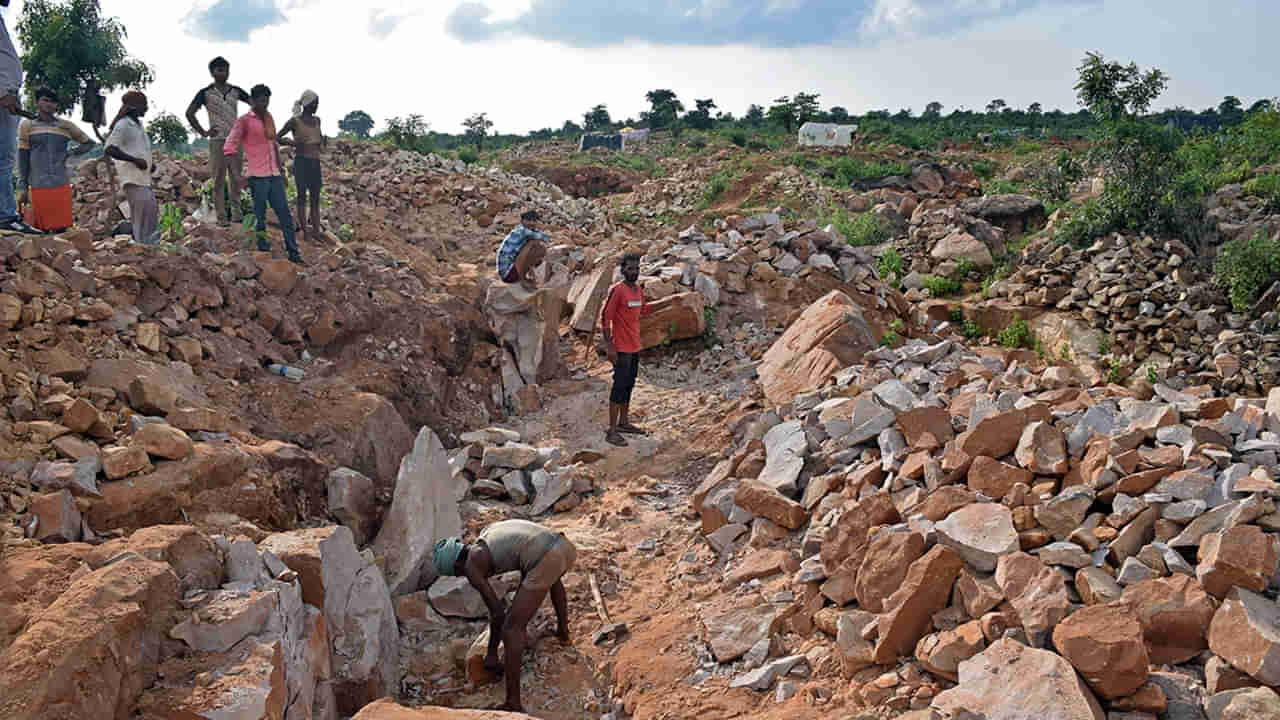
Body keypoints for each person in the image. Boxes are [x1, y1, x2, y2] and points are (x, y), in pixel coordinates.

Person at [433, 520, 576, 713]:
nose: (462, 577)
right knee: (551, 576)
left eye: (457, 574)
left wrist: (492, 653)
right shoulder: (486, 536)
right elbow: (527, 548)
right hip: (565, 546)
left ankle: (513, 703)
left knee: (511, 629)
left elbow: (497, 612)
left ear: (456, 566)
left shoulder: (470, 566)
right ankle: (563, 633)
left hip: (548, 556)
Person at [224, 84, 302, 264]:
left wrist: (281, 172)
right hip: (257, 177)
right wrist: (237, 176)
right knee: (260, 217)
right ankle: (263, 251)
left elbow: (273, 145)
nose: (264, 103)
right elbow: (229, 147)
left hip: (273, 175)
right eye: (260, 100)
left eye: (267, 99)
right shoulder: (244, 121)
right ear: (252, 101)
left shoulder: (269, 119)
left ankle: (294, 253)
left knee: (285, 215)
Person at [17, 88, 95, 233]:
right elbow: (23, 156)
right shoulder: (27, 125)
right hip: (38, 184)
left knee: (62, 228)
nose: (49, 104)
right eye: (45, 100)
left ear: (56, 106)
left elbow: (89, 143)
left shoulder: (65, 125)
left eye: (53, 102)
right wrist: (23, 186)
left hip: (60, 182)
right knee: (40, 229)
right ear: (37, 102)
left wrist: (70, 153)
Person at [185, 57, 249, 225]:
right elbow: (189, 113)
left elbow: (254, 104)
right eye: (219, 70)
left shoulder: (236, 91)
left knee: (236, 177)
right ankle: (221, 217)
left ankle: (237, 214)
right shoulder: (205, 93)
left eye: (226, 69)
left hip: (235, 141)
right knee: (219, 178)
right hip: (218, 141)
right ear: (212, 72)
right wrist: (203, 132)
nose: (224, 73)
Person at [599, 253, 652, 447]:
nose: (634, 272)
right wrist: (609, 345)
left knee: (629, 385)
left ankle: (624, 422)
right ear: (623, 270)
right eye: (630, 268)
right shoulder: (618, 290)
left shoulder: (638, 290)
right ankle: (611, 431)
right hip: (620, 348)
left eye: (637, 269)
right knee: (618, 387)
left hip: (634, 346)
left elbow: (643, 310)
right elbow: (605, 317)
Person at [0, 1, 39, 235]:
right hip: (4, 97)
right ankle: (5, 216)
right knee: (3, 159)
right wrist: (5, 91)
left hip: (6, 96)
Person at [104, 91, 157, 245]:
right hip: (132, 178)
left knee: (149, 212)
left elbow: (138, 148)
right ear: (134, 107)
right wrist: (134, 160)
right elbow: (110, 148)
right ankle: (143, 246)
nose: (146, 108)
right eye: (144, 105)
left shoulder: (138, 125)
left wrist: (149, 164)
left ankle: (148, 245)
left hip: (142, 178)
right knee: (142, 216)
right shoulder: (123, 125)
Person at [276, 90, 325, 242]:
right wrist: (292, 143)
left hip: (315, 162)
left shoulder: (317, 120)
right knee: (302, 197)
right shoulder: (295, 121)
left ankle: (316, 232)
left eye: (317, 103)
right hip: (302, 162)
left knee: (316, 198)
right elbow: (278, 137)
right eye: (315, 103)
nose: (317, 106)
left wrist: (323, 142)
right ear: (307, 104)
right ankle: (305, 233)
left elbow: (319, 141)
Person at [495, 210, 549, 289]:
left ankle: (527, 276)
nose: (532, 223)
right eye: (528, 220)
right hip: (507, 274)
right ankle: (522, 279)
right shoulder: (521, 231)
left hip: (512, 272)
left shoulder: (529, 230)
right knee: (533, 245)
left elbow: (546, 238)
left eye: (534, 220)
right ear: (522, 221)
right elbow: (541, 237)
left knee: (538, 247)